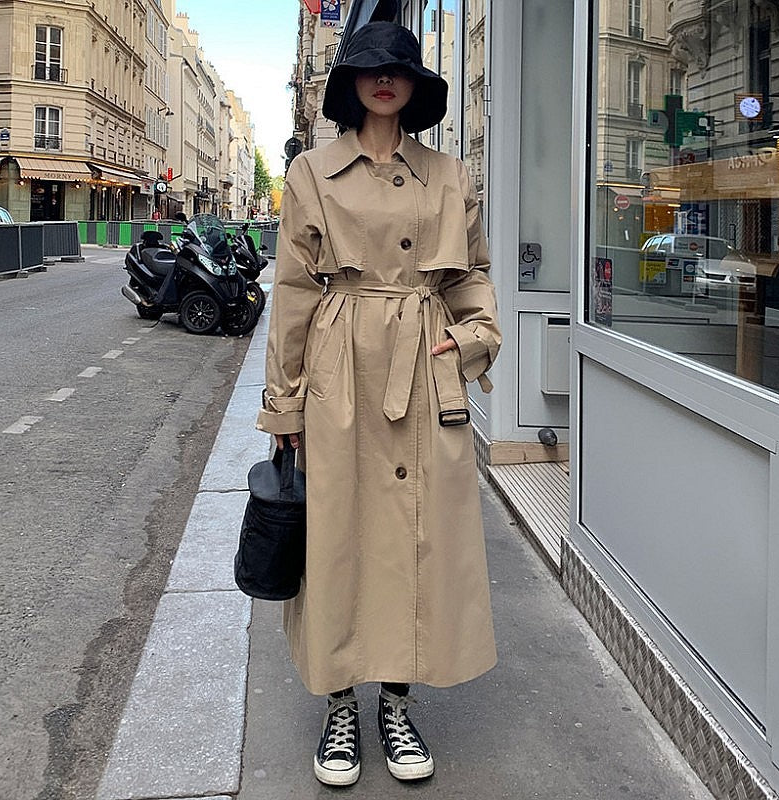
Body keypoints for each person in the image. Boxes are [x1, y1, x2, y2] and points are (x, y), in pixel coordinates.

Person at [257, 21, 501, 787]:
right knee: (336, 538)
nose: (385, 79)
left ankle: (395, 702)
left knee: (418, 538)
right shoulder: (310, 173)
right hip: (340, 371)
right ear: (350, 85)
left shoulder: (451, 175)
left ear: (416, 85)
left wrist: (471, 343)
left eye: (399, 68)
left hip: (423, 366)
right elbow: (294, 295)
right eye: (370, 69)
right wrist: (285, 408)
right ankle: (339, 705)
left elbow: (474, 277)